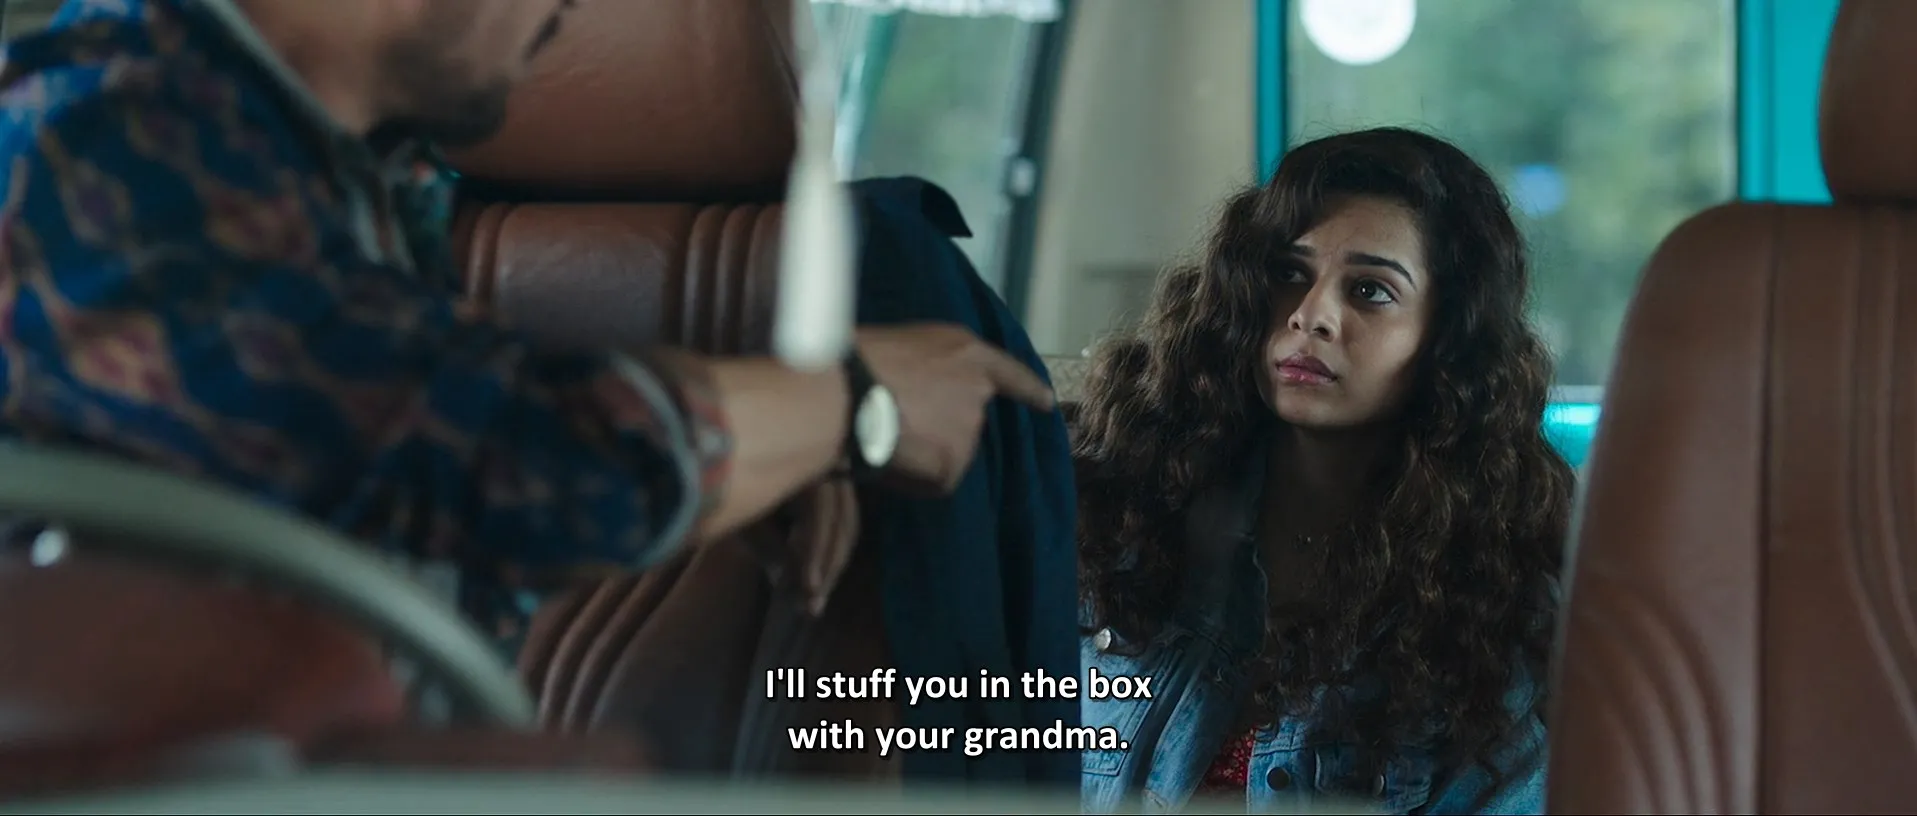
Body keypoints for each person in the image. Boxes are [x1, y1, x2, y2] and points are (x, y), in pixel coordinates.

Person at [0, 0, 1052, 651]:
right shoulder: (98, 136)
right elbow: (499, 460)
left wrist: (775, 444)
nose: (572, 13)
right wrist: (852, 404)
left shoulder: (351, 182)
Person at [1073, 127, 1573, 814]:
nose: (1311, 316)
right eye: (1288, 273)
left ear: (1446, 337)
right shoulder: (1126, 513)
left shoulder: (1498, 606)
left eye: (1369, 290)